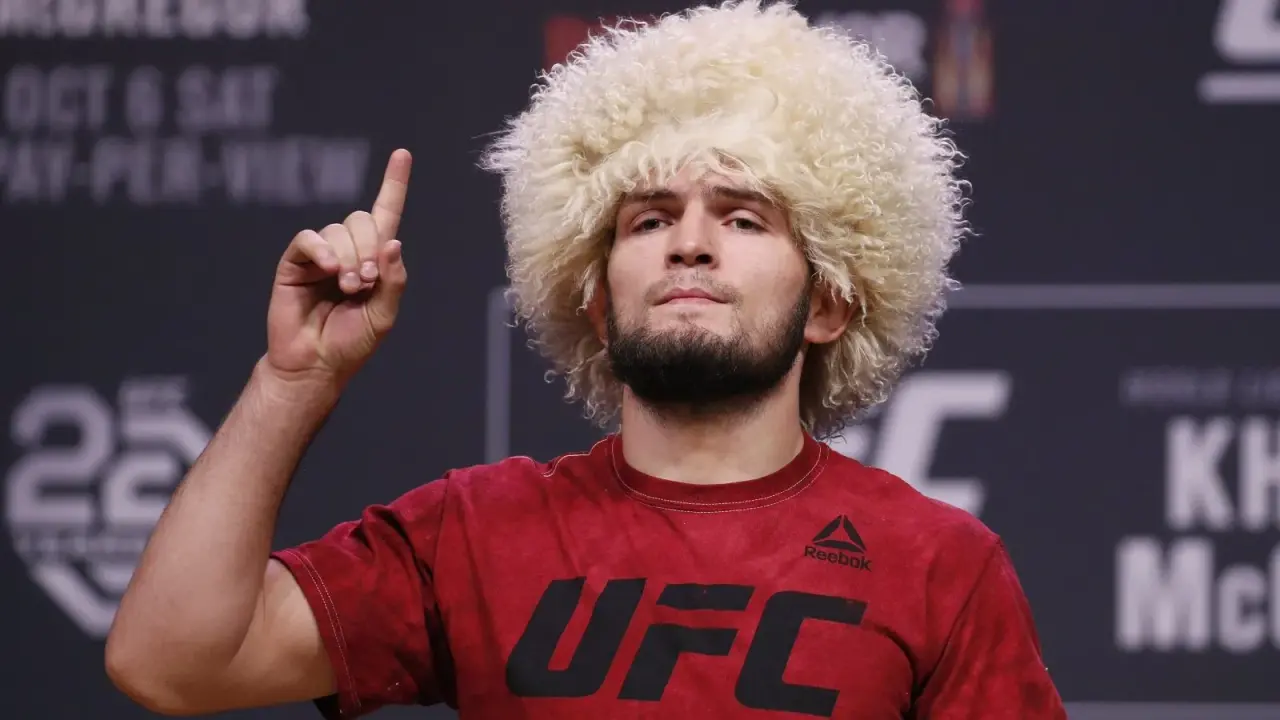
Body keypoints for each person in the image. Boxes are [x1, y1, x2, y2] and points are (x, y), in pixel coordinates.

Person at [105, 2, 1067, 718]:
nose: (689, 244)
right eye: (648, 219)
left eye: (741, 217)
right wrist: (294, 380)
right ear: (597, 301)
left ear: (827, 301)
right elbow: (174, 661)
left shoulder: (939, 564)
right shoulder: (474, 533)